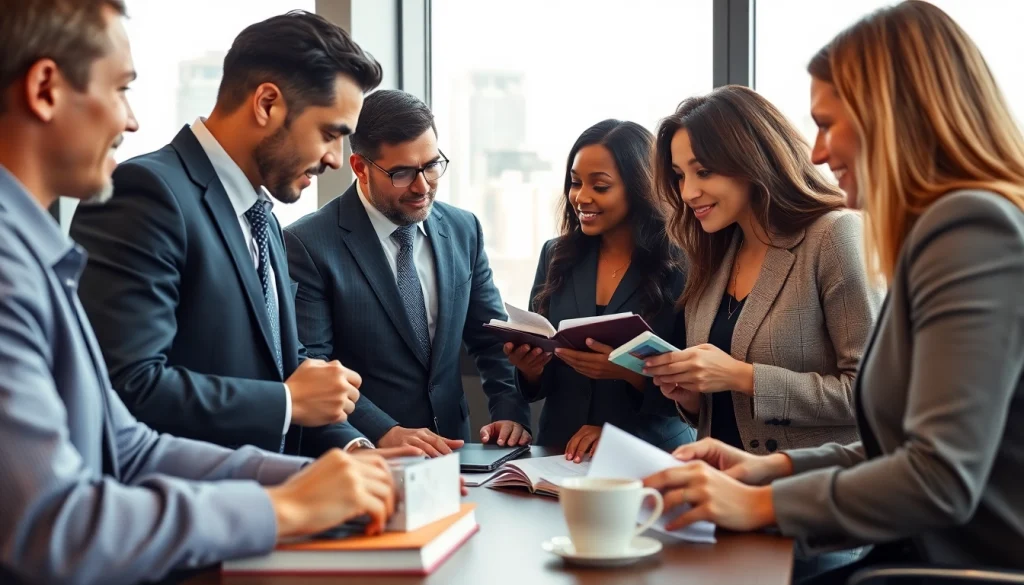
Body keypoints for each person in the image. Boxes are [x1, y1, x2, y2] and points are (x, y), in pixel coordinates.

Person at [0, 2, 405, 584]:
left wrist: (321, 477)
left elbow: (130, 446)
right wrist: (284, 506)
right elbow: (54, 519)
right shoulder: (141, 197)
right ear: (44, 89)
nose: (132, 120)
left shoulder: (39, 254)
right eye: (121, 88)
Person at [643, 1, 1024, 579]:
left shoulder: (971, 227)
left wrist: (759, 503)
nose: (817, 151)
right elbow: (893, 448)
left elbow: (940, 478)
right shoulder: (937, 233)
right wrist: (766, 471)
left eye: (826, 123)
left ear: (892, 114)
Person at [69, 10, 381, 455]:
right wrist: (288, 402)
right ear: (267, 103)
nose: (335, 158)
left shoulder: (264, 216)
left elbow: (282, 369)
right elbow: (126, 385)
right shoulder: (145, 193)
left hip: (276, 500)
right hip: (184, 507)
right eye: (330, 134)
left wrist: (359, 453)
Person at [285, 89, 532, 455]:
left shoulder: (464, 230)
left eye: (431, 165)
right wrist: (384, 431)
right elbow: (315, 368)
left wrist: (511, 413)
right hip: (367, 456)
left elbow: (492, 341)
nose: (422, 186)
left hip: (455, 451)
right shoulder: (308, 244)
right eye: (401, 173)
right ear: (360, 167)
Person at [645, 85, 881, 458]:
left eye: (703, 171)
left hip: (808, 494)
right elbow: (719, 416)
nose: (688, 192)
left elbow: (874, 393)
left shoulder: (833, 236)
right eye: (679, 176)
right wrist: (690, 397)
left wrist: (743, 377)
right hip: (720, 494)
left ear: (751, 160)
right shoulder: (713, 254)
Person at [505, 119, 695, 460]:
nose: (581, 197)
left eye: (600, 186)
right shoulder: (555, 255)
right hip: (559, 452)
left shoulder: (682, 263)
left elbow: (697, 388)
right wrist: (530, 369)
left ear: (639, 187)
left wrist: (627, 372)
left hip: (650, 453)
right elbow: (543, 381)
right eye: (575, 183)